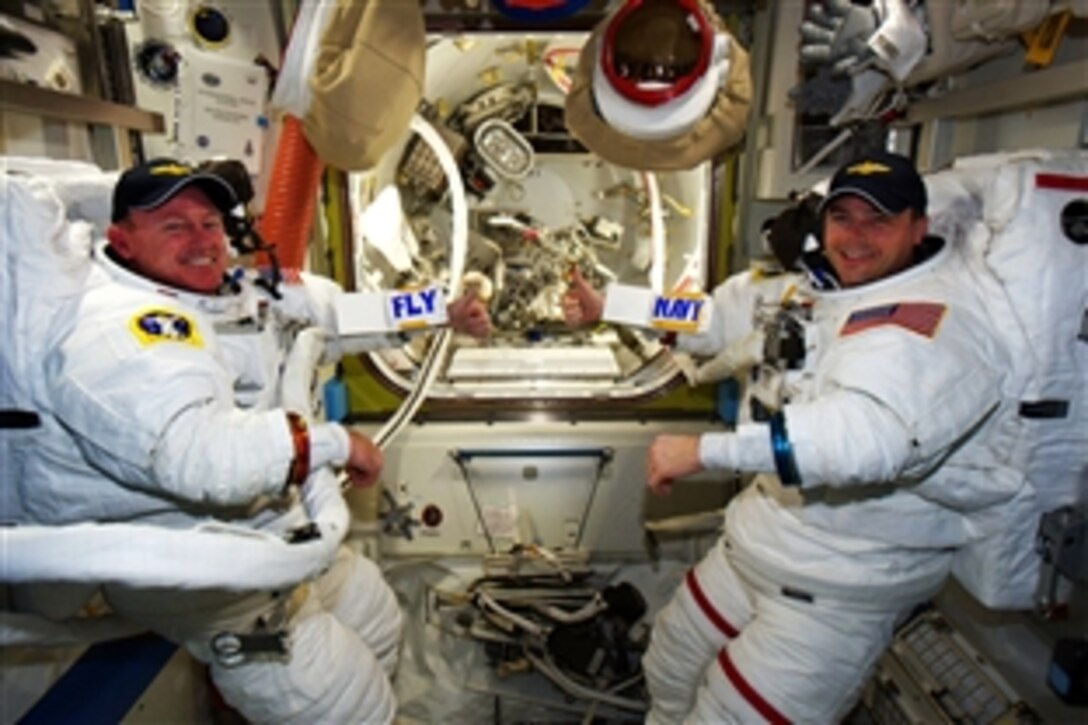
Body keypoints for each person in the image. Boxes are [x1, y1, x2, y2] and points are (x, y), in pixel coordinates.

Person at [11, 157, 490, 723]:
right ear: (122, 239)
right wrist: (332, 444)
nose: (201, 240)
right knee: (346, 705)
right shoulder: (120, 329)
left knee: (372, 609)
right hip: (218, 574)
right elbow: (195, 453)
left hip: (273, 536)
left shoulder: (238, 291)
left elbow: (334, 313)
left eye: (209, 224)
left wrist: (441, 311)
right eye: (174, 226)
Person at [563, 150, 1024, 723]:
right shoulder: (812, 292)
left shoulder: (932, 324)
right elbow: (708, 318)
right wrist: (609, 305)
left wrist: (706, 451)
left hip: (834, 590)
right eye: (843, 218)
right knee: (667, 670)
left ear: (918, 227)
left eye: (878, 220)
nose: (855, 236)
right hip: (753, 549)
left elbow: (860, 440)